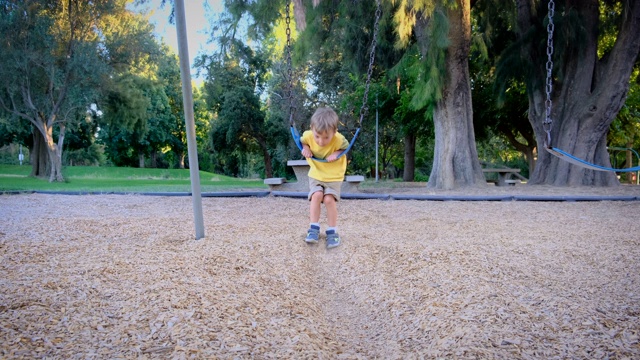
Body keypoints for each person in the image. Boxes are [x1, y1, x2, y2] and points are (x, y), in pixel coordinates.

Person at [300, 106, 349, 249]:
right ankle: (313, 229)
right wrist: (307, 148)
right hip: (316, 172)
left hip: (334, 175)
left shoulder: (339, 139)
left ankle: (332, 231)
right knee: (316, 195)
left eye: (327, 137)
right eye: (317, 136)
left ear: (335, 131)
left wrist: (337, 153)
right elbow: (302, 141)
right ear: (312, 128)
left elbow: (346, 146)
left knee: (328, 199)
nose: (321, 141)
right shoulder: (308, 135)